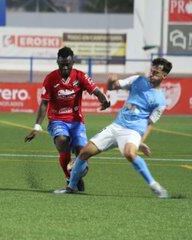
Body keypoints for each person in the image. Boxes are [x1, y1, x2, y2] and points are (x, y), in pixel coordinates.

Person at [60, 58, 172, 198]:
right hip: (116, 126)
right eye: (152, 71)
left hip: (132, 131)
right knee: (84, 153)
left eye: (156, 73)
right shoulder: (137, 80)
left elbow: (149, 123)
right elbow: (112, 87)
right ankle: (71, 187)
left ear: (164, 76)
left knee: (130, 154)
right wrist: (111, 81)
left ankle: (155, 186)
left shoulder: (160, 101)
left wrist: (140, 141)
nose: (152, 74)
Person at [24, 46, 110, 190]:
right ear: (57, 61)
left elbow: (95, 90)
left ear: (72, 62)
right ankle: (69, 177)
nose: (65, 66)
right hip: (57, 120)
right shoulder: (50, 78)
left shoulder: (80, 76)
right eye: (62, 63)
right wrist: (36, 127)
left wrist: (104, 99)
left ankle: (76, 175)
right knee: (62, 141)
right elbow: (44, 103)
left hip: (76, 122)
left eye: (68, 64)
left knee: (83, 155)